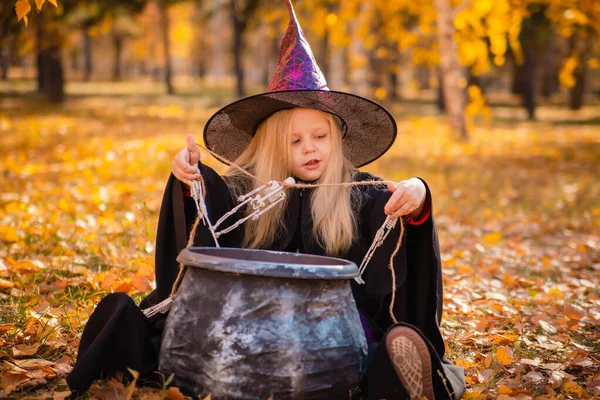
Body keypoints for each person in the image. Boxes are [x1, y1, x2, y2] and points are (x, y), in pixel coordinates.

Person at [67, 1, 465, 399]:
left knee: (375, 352)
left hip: (333, 335)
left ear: (337, 139)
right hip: (250, 326)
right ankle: (122, 351)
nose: (310, 148)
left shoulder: (358, 193)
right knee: (165, 332)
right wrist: (190, 177)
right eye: (295, 141)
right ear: (275, 148)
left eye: (320, 137)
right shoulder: (249, 192)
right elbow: (208, 209)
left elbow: (399, 211)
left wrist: (418, 191)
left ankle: (396, 375)